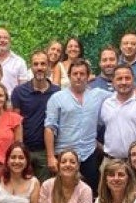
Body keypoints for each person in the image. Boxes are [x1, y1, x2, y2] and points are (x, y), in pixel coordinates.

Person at [45, 59, 111, 194]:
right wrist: (50, 157)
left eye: (82, 73)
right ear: (69, 76)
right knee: (62, 194)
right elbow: (49, 128)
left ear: (88, 76)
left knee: (90, 193)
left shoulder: (98, 95)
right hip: (64, 156)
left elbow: (121, 95)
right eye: (75, 74)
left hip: (88, 154)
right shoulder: (57, 98)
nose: (79, 77)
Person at [11, 50, 59, 182]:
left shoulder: (57, 93)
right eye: (36, 64)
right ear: (31, 67)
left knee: (44, 188)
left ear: (49, 66)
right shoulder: (19, 92)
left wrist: (51, 155)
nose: (39, 67)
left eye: (43, 64)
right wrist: (19, 150)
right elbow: (15, 123)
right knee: (23, 187)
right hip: (25, 150)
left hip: (46, 152)